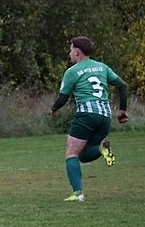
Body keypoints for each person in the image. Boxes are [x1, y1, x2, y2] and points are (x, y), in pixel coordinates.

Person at [50, 36, 128, 203]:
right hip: (105, 117)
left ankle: (78, 193)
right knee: (84, 154)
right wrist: (122, 110)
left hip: (87, 115)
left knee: (71, 153)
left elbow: (63, 98)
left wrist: (54, 108)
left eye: (71, 50)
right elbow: (122, 85)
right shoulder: (102, 67)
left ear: (77, 52)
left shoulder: (72, 71)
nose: (69, 53)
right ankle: (101, 149)